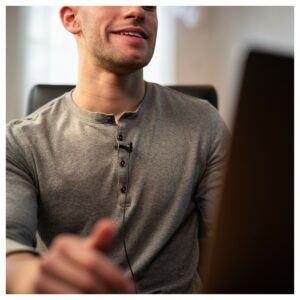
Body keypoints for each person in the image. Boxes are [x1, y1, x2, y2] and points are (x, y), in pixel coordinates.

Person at [6, 6, 230, 294]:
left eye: (149, 6)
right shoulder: (20, 142)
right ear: (71, 18)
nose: (137, 9)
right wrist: (22, 274)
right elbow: (8, 241)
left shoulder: (204, 123)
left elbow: (238, 239)